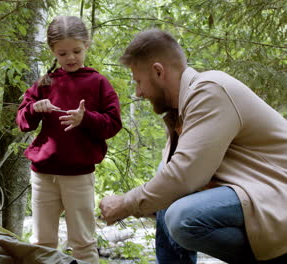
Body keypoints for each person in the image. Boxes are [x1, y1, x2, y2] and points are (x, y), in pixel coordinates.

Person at [99, 29, 287, 263]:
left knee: (183, 217)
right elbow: (171, 181)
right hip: (258, 193)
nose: (138, 92)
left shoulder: (210, 90)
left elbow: (184, 177)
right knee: (165, 187)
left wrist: (126, 203)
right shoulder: (183, 111)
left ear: (158, 71)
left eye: (139, 81)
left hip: (278, 194)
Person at [16, 15, 122, 264]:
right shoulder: (45, 83)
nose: (71, 58)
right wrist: (34, 109)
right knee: (42, 242)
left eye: (76, 50)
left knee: (83, 242)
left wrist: (85, 119)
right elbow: (22, 121)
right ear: (53, 51)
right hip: (43, 175)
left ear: (87, 45)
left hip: (79, 175)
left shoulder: (98, 83)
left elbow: (113, 124)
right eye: (63, 53)